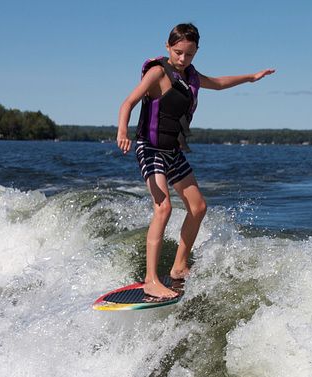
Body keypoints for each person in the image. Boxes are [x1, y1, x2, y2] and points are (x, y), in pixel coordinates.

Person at [117, 23, 275, 300]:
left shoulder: (192, 77)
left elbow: (220, 83)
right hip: (149, 148)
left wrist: (252, 77)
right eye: (178, 52)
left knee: (199, 207)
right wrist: (122, 132)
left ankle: (179, 267)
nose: (182, 59)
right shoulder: (157, 72)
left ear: (196, 52)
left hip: (173, 152)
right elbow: (127, 103)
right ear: (167, 47)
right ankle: (150, 279)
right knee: (163, 208)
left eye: (189, 55)